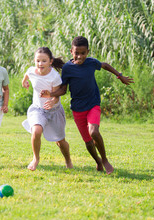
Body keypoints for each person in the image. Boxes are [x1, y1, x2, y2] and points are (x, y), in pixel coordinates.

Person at [42, 36, 133, 173]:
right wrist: (51, 94)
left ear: (87, 52)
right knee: (88, 141)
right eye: (77, 53)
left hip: (93, 104)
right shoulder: (67, 68)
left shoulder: (91, 63)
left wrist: (119, 76)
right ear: (71, 51)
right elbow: (63, 89)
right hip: (78, 109)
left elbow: (105, 65)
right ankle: (98, 162)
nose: (80, 56)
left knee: (94, 132)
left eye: (83, 53)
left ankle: (105, 159)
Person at [21, 47, 72, 171]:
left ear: (50, 61)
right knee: (36, 131)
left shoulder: (54, 76)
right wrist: (24, 82)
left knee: (60, 142)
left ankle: (68, 160)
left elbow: (57, 97)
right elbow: (27, 74)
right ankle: (35, 158)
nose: (40, 64)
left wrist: (51, 100)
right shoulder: (32, 70)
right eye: (38, 61)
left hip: (54, 111)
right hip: (38, 110)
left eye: (44, 61)